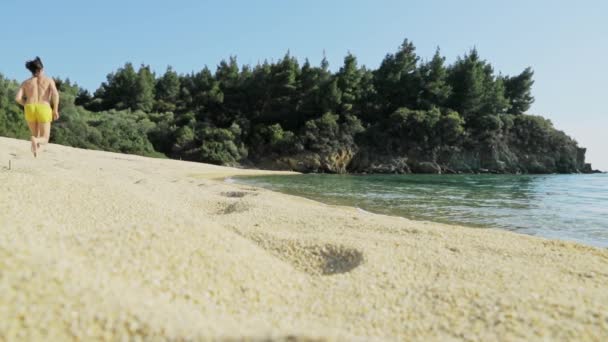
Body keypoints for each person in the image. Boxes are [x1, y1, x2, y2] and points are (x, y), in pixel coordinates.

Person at [14, 57, 60, 157]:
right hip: (43, 107)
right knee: (44, 138)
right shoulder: (48, 80)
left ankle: (36, 152)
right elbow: (55, 94)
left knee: (35, 133)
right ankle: (36, 140)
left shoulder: (25, 83)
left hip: (30, 107)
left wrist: (26, 104)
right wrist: (55, 109)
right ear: (41, 69)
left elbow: (17, 98)